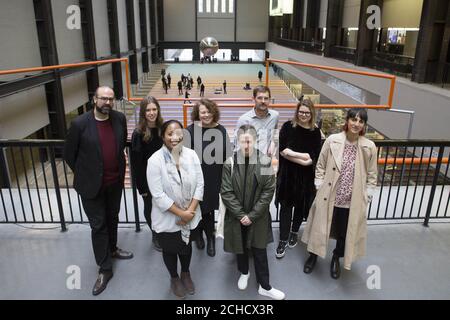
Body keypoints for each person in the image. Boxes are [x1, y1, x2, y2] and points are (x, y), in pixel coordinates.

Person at [63, 86, 133, 296]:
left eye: (111, 99)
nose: (108, 103)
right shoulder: (80, 124)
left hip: (114, 183)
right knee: (99, 224)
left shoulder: (119, 119)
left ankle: (112, 249)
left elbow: (120, 145)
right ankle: (105, 268)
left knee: (112, 218)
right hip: (91, 186)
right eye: (103, 98)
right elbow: (69, 154)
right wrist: (87, 174)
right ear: (94, 99)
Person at [301, 108, 378, 279]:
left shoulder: (369, 146)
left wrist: (367, 195)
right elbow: (320, 165)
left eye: (360, 121)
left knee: (345, 232)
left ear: (364, 125)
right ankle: (313, 256)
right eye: (353, 120)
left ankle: (336, 257)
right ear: (347, 120)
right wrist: (319, 185)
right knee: (319, 227)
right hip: (329, 194)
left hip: (352, 200)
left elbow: (372, 175)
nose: (356, 124)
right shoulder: (332, 140)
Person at [220, 124, 285, 300]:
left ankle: (265, 286)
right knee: (239, 246)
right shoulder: (230, 163)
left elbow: (268, 191)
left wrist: (252, 215)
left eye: (249, 141)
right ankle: (244, 272)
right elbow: (226, 191)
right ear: (238, 141)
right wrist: (241, 215)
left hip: (258, 216)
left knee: (259, 249)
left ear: (255, 141)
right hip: (237, 216)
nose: (246, 145)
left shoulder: (264, 161)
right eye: (243, 141)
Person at [147, 120, 204, 299]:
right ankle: (174, 278)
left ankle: (185, 273)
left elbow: (200, 184)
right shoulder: (155, 160)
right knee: (170, 249)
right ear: (163, 136)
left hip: (191, 213)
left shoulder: (192, 154)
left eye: (178, 132)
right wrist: (182, 214)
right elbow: (158, 195)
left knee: (186, 247)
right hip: (169, 217)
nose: (174, 137)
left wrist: (190, 212)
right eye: (169, 133)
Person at [275, 99, 322, 259]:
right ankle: (282, 239)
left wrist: (292, 154)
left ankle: (294, 232)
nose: (303, 115)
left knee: (301, 208)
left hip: (306, 177)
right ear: (297, 112)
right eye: (301, 112)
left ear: (312, 114)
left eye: (307, 113)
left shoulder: (315, 132)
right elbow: (282, 151)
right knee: (286, 208)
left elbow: (313, 157)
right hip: (288, 175)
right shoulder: (288, 127)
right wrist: (303, 157)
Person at [186, 99, 232, 257]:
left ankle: (211, 238)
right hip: (195, 177)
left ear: (214, 112)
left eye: (209, 111)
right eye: (203, 112)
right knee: (196, 207)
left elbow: (228, 155)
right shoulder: (190, 130)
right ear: (197, 114)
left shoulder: (220, 130)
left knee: (209, 210)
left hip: (214, 177)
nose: (206, 115)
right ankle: (198, 235)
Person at [130, 96, 164, 252]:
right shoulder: (139, 133)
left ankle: (164, 230)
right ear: (143, 112)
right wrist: (141, 187)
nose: (151, 113)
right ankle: (156, 234)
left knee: (164, 206)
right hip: (148, 180)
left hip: (164, 178)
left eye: (154, 109)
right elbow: (136, 164)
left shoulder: (163, 128)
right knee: (150, 207)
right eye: (148, 110)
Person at [235, 85, 279, 157]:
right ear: (253, 99)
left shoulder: (275, 116)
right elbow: (238, 146)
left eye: (266, 98)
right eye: (259, 98)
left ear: (270, 100)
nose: (263, 101)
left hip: (266, 162)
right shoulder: (243, 119)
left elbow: (275, 133)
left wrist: (273, 144)